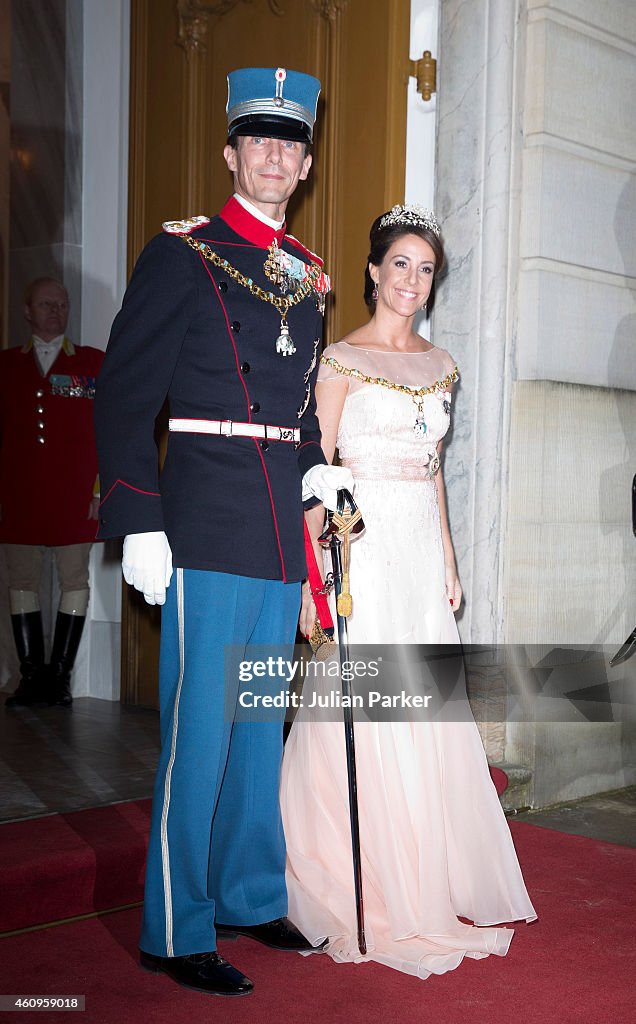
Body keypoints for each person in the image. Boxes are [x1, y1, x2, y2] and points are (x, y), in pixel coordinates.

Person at [94, 67, 352, 998]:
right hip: (200, 520)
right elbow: (125, 394)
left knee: (254, 729)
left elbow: (294, 401)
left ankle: (248, 893)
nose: (275, 155)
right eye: (260, 140)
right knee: (198, 732)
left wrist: (317, 462)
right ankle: (174, 924)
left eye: (291, 143)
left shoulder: (309, 273)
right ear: (233, 153)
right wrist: (137, 522)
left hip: (280, 529)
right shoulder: (183, 253)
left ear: (307, 162)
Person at [281, 205, 537, 979]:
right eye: (399, 263)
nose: (411, 280)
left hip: (421, 556)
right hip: (361, 552)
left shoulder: (442, 363)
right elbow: (315, 468)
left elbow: (433, 474)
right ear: (372, 270)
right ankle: (348, 876)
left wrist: (452, 558)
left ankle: (421, 868)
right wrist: (315, 571)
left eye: (425, 269)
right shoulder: (338, 359)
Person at [0, 278, 103, 709]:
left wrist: (100, 489)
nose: (55, 311)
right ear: (27, 310)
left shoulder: (93, 363)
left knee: (74, 580)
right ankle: (29, 676)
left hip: (74, 494)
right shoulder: (5, 365)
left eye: (61, 304)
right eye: (45, 304)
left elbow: (108, 431)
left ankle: (59, 676)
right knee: (22, 581)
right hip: (18, 495)